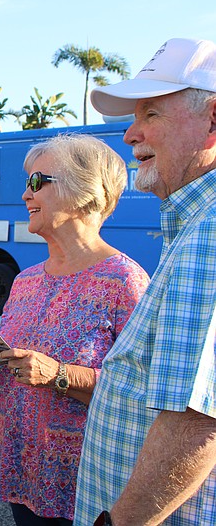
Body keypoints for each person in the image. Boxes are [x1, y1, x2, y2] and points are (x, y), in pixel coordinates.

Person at [0, 134, 150, 526]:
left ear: (83, 192)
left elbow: (141, 392)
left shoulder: (123, 282)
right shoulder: (25, 282)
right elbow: (14, 374)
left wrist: (58, 374)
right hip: (25, 476)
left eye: (38, 182)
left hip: (87, 486)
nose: (25, 194)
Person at [74, 38, 216, 526]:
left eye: (151, 114)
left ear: (213, 121)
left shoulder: (209, 233)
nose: (130, 134)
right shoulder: (194, 225)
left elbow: (194, 422)